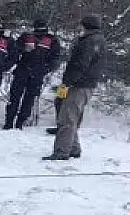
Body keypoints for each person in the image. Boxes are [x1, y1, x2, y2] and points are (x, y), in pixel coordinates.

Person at [44, 13, 107, 160]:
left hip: (78, 84)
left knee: (67, 117)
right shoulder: (97, 40)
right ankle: (73, 147)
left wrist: (67, 82)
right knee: (67, 112)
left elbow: (80, 65)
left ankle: (61, 151)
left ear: (86, 25)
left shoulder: (89, 42)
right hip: (82, 83)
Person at [3, 18, 61, 129]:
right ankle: (9, 122)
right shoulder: (26, 36)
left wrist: (45, 69)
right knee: (14, 98)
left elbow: (55, 58)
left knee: (28, 100)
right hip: (22, 70)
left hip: (37, 74)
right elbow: (15, 51)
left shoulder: (51, 40)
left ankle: (20, 122)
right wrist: (23, 50)